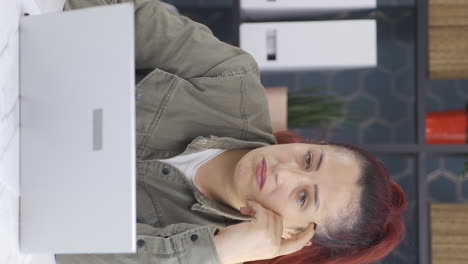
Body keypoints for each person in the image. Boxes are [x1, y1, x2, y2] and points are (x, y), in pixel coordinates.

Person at [55, 0, 408, 263]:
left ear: (294, 233)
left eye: (302, 197)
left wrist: (217, 252)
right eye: (309, 159)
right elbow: (114, 13)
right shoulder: (230, 77)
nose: (283, 170)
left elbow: (61, 252)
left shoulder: (208, 250)